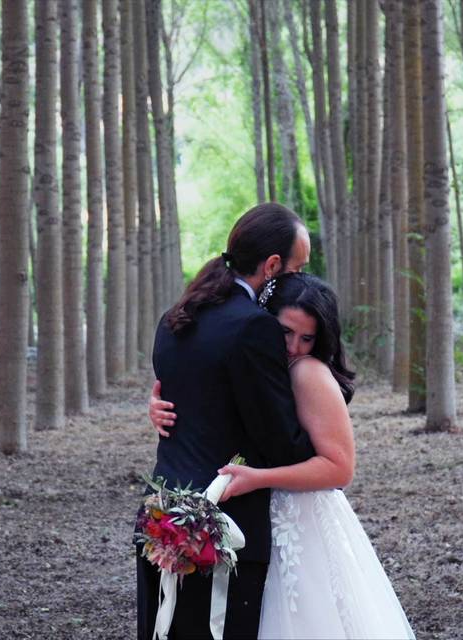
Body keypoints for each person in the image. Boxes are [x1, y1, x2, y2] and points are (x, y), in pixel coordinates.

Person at [150, 273, 415, 639]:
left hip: (301, 521)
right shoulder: (255, 361)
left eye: (306, 338)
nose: (293, 346)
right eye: (285, 332)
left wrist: (260, 478)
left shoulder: (307, 371)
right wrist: (158, 406)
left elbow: (340, 468)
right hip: (265, 519)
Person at [138, 202, 317, 640]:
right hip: (222, 528)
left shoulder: (175, 317)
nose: (304, 280)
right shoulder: (253, 328)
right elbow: (280, 441)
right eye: (299, 269)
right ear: (273, 266)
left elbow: (194, 400)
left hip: (160, 518)